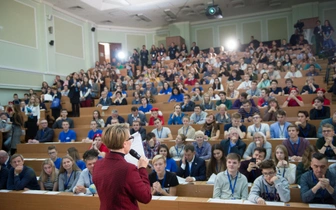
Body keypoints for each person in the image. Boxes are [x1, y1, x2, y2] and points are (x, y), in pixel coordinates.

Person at [93, 124, 151, 209]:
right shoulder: (128, 169)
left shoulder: (97, 165)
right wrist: (142, 169)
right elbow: (146, 197)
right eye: (130, 139)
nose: (131, 142)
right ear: (124, 144)